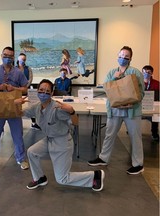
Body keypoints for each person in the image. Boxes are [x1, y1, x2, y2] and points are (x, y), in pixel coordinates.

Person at [15, 79, 104, 191]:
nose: (43, 93)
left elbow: (76, 123)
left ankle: (94, 176)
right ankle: (40, 178)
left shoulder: (57, 108)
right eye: (41, 90)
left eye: (47, 91)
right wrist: (16, 104)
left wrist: (71, 111)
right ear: (37, 91)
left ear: (52, 93)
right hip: (49, 139)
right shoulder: (37, 107)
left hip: (62, 142)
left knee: (62, 179)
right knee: (32, 152)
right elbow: (19, 113)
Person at [88, 46, 145, 175]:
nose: (123, 59)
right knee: (109, 135)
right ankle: (103, 158)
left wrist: (132, 102)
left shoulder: (136, 73)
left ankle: (138, 164)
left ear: (130, 58)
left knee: (135, 137)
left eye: (126, 57)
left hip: (132, 110)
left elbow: (141, 93)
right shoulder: (111, 72)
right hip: (115, 110)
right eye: (121, 56)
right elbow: (107, 89)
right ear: (117, 56)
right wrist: (115, 77)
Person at [0, 46, 29, 171]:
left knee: (18, 135)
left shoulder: (18, 72)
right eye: (5, 55)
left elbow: (25, 89)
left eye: (10, 56)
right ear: (1, 55)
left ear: (13, 58)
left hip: (14, 107)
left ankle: (21, 158)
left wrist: (14, 89)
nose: (7, 58)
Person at [16, 53, 40, 130]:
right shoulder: (14, 69)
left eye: (24, 59)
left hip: (26, 90)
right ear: (18, 59)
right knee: (17, 106)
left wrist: (25, 86)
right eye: (22, 59)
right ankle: (17, 123)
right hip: (16, 91)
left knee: (31, 106)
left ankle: (33, 123)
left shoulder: (28, 68)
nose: (23, 61)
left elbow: (30, 78)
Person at [142, 65, 159, 141]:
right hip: (140, 105)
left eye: (149, 72)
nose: (146, 74)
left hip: (152, 105)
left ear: (152, 73)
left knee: (156, 114)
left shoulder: (157, 83)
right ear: (142, 73)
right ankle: (133, 131)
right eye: (145, 72)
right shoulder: (138, 82)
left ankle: (154, 133)